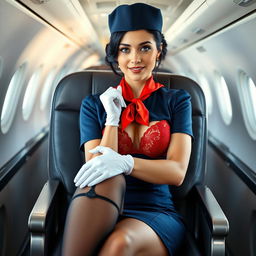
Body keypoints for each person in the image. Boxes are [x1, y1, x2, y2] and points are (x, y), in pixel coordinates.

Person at [62, 3, 193, 256]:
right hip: (100, 203)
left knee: (119, 245)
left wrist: (126, 163)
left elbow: (177, 172)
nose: (135, 59)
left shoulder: (178, 101)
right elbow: (96, 170)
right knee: (104, 176)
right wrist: (112, 119)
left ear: (158, 51)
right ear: (116, 56)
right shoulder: (93, 105)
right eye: (125, 50)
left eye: (145, 47)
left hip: (155, 210)